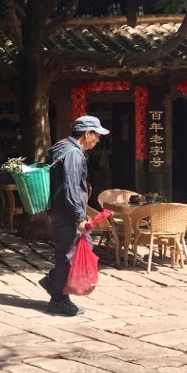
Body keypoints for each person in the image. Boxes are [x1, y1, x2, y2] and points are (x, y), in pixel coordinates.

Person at [39, 115, 109, 316]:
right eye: (96, 135)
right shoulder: (73, 154)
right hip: (67, 212)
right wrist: (79, 217)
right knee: (69, 255)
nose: (97, 140)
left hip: (61, 209)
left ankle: (53, 282)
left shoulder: (61, 146)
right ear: (87, 134)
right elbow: (71, 187)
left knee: (79, 248)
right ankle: (58, 299)